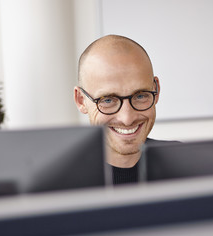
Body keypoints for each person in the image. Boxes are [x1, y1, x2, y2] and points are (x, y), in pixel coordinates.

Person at [74, 35, 174, 184]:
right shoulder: (54, 184)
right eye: (107, 100)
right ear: (81, 100)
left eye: (140, 96)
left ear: (156, 90)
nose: (127, 119)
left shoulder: (190, 165)